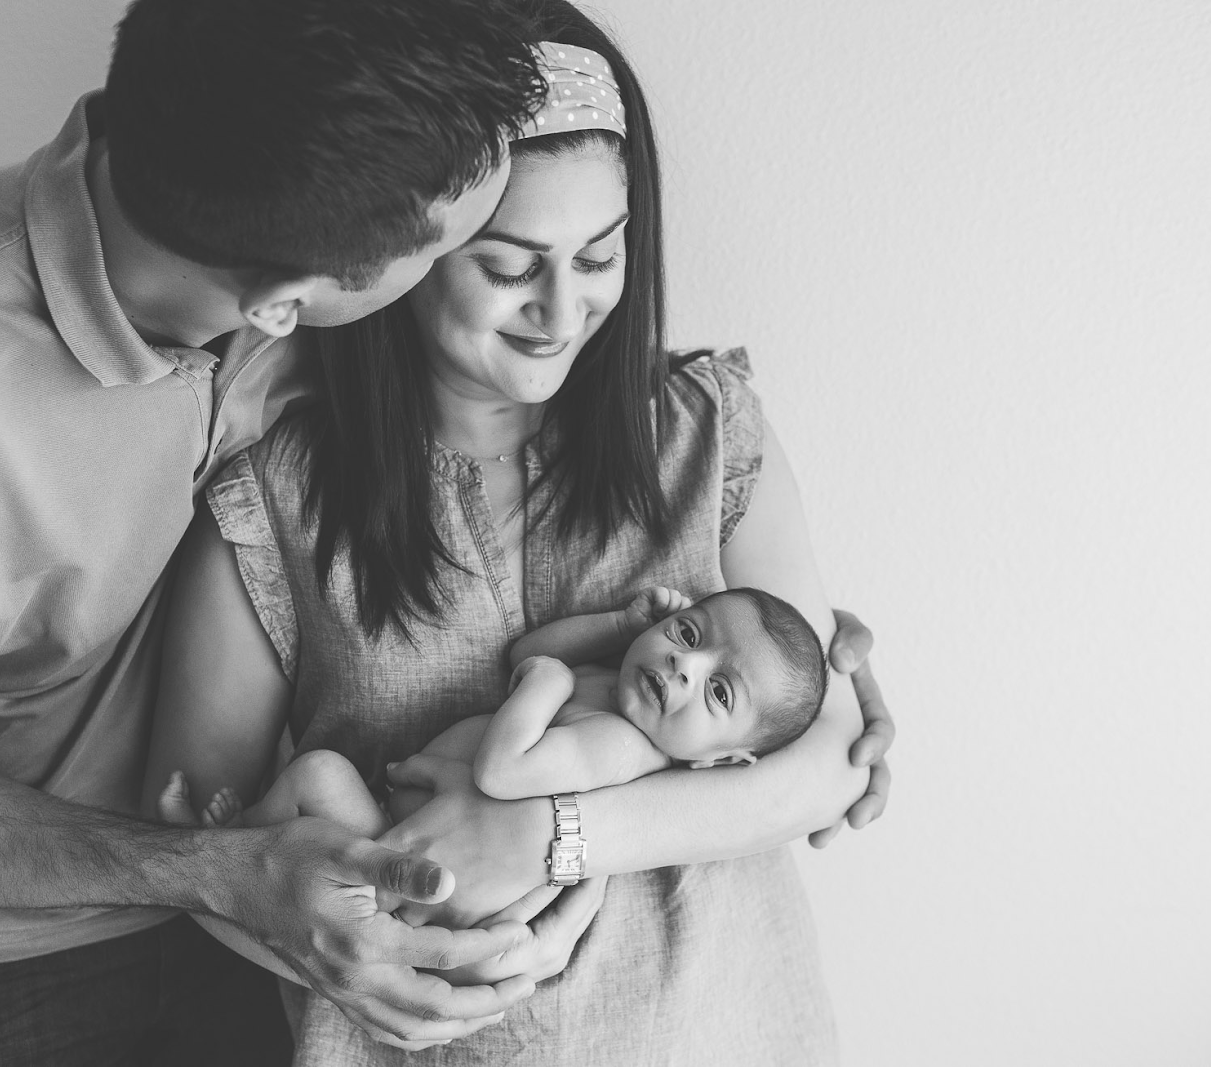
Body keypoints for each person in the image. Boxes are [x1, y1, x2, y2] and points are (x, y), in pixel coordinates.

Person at [0, 1, 563, 1061]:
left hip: (247, 900)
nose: (475, 273)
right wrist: (217, 868)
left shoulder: (278, 231)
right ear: (289, 302)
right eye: (456, 250)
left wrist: (793, 664)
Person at [145, 9, 887, 1062]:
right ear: (407, 251)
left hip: (720, 1028)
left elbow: (828, 759)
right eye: (508, 265)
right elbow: (199, 843)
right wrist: (331, 950)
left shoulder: (705, 436)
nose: (559, 308)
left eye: (600, 255)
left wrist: (548, 832)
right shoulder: (275, 503)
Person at [159, 585, 828, 839]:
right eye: (689, 631)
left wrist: (548, 682)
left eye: (719, 692)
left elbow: (504, 771)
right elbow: (527, 652)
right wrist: (619, 623)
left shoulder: (621, 747)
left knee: (316, 775)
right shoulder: (618, 689)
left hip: (398, 841)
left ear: (720, 760)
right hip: (394, 814)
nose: (687, 664)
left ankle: (228, 841)